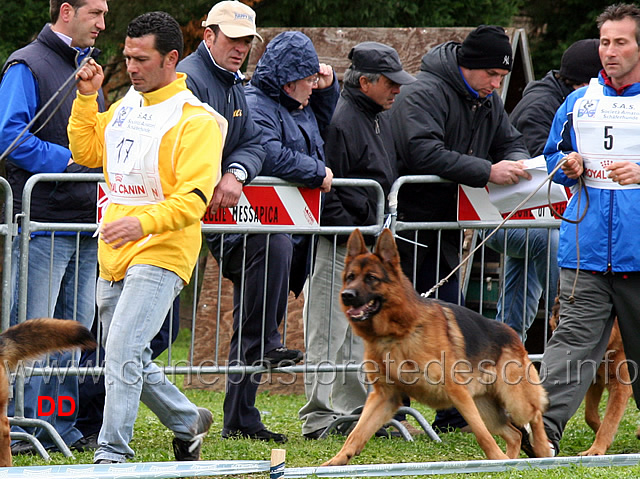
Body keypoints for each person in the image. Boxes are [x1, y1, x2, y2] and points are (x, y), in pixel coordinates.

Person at [68, 11, 226, 463]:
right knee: (126, 355)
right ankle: (186, 420)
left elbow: (194, 199)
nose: (132, 67)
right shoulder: (124, 105)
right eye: (127, 57)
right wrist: (86, 99)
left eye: (141, 59)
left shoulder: (195, 121)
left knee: (121, 349)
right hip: (115, 249)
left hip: (163, 249)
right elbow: (87, 152)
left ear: (171, 59)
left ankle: (111, 453)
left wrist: (142, 223)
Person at [390, 25, 531, 433]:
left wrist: (520, 164)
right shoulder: (425, 92)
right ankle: (395, 407)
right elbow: (422, 150)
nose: (496, 84)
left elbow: (511, 140)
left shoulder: (487, 100)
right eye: (491, 75)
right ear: (468, 67)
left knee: (448, 316)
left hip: (448, 225)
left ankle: (453, 410)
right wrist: (487, 170)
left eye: (502, 78)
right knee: (405, 321)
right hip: (411, 224)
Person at [0, 0, 108, 455]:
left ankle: (56, 425)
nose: (103, 24)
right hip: (40, 220)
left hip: (86, 223)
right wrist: (69, 162)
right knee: (30, 332)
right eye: (96, 14)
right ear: (67, 11)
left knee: (71, 333)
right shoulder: (26, 64)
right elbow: (9, 135)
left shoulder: (91, 71)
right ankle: (21, 425)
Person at [220, 30, 337, 444]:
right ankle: (241, 414)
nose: (313, 87)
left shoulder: (298, 102)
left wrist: (326, 88)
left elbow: (322, 124)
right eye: (308, 81)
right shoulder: (256, 104)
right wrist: (316, 172)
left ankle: (239, 417)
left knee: (251, 321)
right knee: (255, 325)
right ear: (289, 82)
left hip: (280, 236)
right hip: (252, 234)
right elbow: (268, 152)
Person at [537, 3, 640, 457]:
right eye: (604, 42)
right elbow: (550, 156)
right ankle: (539, 434)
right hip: (586, 248)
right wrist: (567, 166)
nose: (610, 51)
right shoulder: (579, 101)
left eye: (621, 42)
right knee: (571, 345)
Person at [299, 41, 415, 440]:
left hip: (358, 248)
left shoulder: (373, 114)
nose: (397, 89)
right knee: (326, 332)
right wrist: (350, 236)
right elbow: (327, 190)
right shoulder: (344, 120)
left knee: (355, 332)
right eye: (390, 82)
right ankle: (317, 417)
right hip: (341, 246)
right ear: (365, 82)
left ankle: (351, 410)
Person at [485, 39, 602, 341]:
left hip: (523, 214)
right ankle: (568, 324)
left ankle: (506, 351)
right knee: (551, 241)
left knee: (519, 282)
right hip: (506, 215)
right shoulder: (542, 107)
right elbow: (541, 166)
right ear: (585, 82)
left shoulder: (556, 99)